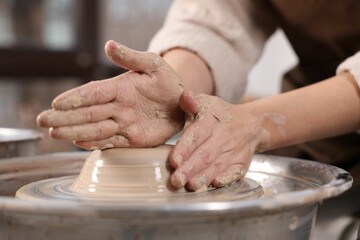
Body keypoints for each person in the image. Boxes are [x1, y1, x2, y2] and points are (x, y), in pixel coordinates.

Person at [37, 0, 360, 192]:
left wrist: (259, 123)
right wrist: (176, 85)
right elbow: (221, 13)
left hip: (313, 112)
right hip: (323, 141)